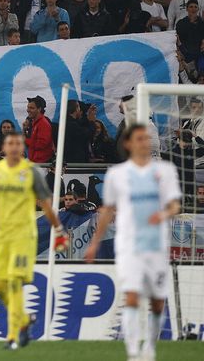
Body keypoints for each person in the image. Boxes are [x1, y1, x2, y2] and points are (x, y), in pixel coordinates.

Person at [85, 124, 182, 361]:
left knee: (157, 302)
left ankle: (149, 346)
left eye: (146, 139)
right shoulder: (117, 174)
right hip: (128, 244)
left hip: (156, 244)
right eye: (139, 139)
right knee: (131, 296)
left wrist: (162, 215)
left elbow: (175, 205)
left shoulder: (165, 171)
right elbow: (107, 211)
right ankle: (132, 352)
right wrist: (95, 242)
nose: (143, 143)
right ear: (128, 144)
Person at [0, 132, 67, 350]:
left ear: (22, 148)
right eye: (10, 143)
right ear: (4, 147)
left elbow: (46, 203)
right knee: (0, 285)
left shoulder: (31, 172)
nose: (14, 147)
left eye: (18, 144)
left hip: (23, 235)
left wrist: (58, 228)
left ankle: (14, 335)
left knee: (14, 282)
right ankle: (23, 319)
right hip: (1, 235)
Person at [23, 95, 54, 163]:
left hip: (42, 164)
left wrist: (25, 140)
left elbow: (41, 144)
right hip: (36, 162)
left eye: (31, 108)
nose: (28, 110)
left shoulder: (43, 123)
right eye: (28, 107)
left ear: (39, 109)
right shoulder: (36, 122)